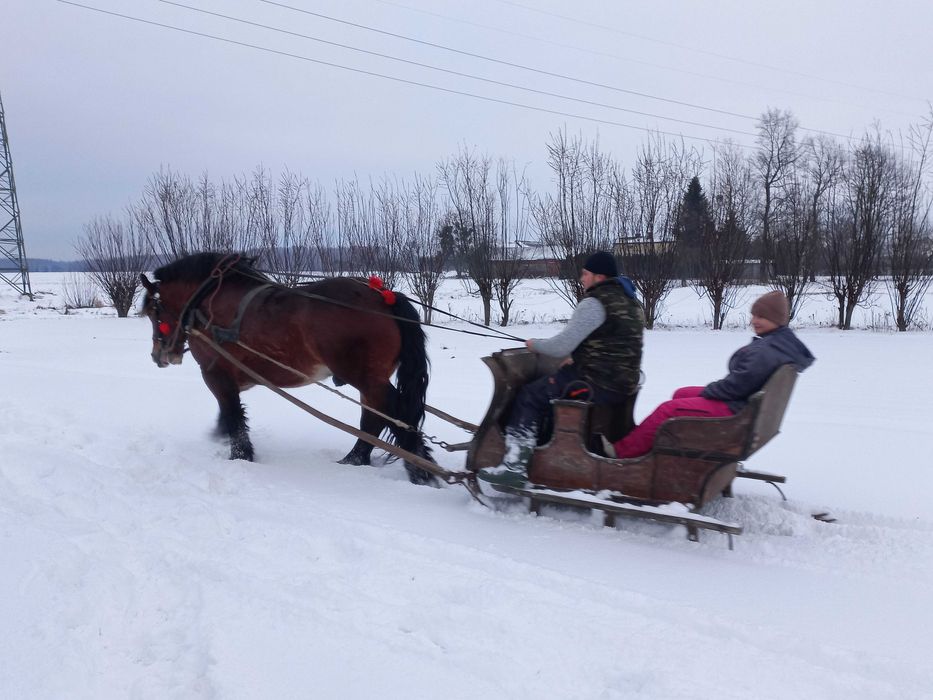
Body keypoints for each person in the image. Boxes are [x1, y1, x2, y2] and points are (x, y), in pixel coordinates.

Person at [478, 251, 645, 490]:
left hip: (596, 383)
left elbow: (560, 346)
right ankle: (540, 445)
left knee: (530, 396)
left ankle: (515, 467)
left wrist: (534, 344)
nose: (581, 279)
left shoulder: (595, 303)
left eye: (585, 274)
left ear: (599, 276)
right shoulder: (631, 302)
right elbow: (613, 343)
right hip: (623, 383)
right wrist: (576, 357)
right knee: (549, 385)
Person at [607, 290, 815, 459]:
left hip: (734, 411)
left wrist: (709, 390)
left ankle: (621, 452)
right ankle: (664, 447)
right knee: (681, 393)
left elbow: (735, 386)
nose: (754, 320)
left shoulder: (768, 350)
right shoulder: (779, 344)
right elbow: (742, 382)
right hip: (743, 406)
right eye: (753, 315)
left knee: (667, 410)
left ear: (776, 319)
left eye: (761, 316)